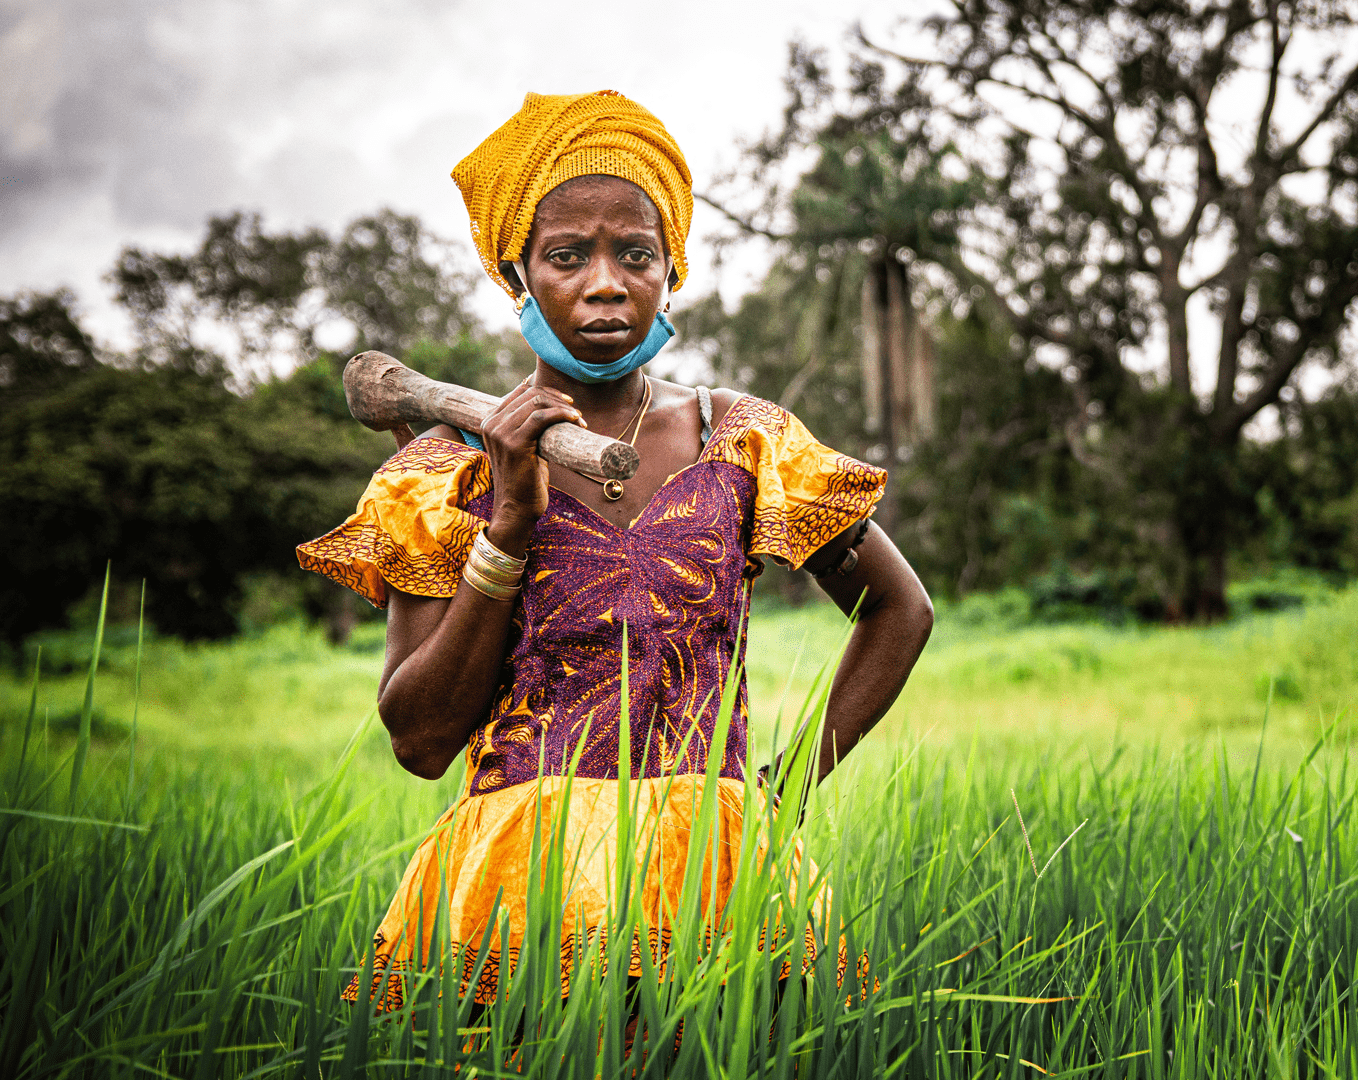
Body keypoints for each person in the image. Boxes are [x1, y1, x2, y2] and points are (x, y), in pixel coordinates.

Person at [296, 90, 933, 1010]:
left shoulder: (743, 439)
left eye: (634, 253)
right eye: (567, 255)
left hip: (721, 886)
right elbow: (421, 739)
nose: (605, 282)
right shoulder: (447, 471)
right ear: (517, 275)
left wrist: (781, 795)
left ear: (670, 269)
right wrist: (510, 524)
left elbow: (898, 610)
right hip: (519, 892)